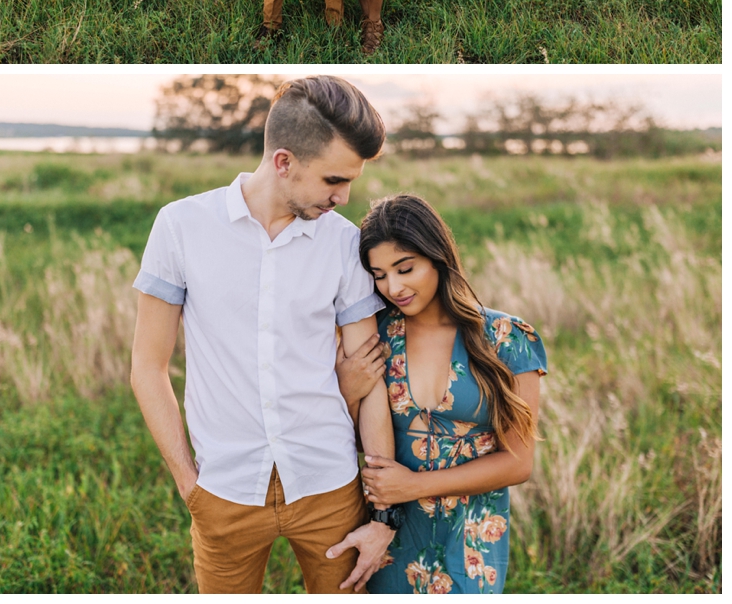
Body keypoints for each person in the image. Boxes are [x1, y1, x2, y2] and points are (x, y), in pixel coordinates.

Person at [130, 76, 399, 594]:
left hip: (330, 487)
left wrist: (381, 512)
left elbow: (370, 380)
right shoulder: (180, 226)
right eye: (333, 181)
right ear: (284, 162)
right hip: (224, 493)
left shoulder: (345, 243)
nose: (344, 198)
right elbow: (147, 366)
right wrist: (190, 486)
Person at [348, 193, 547, 594]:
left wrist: (415, 486)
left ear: (437, 256)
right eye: (379, 274)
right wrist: (348, 388)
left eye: (405, 268)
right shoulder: (377, 334)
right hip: (390, 533)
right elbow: (352, 438)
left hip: (472, 539)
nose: (393, 287)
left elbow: (518, 463)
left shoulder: (508, 339)